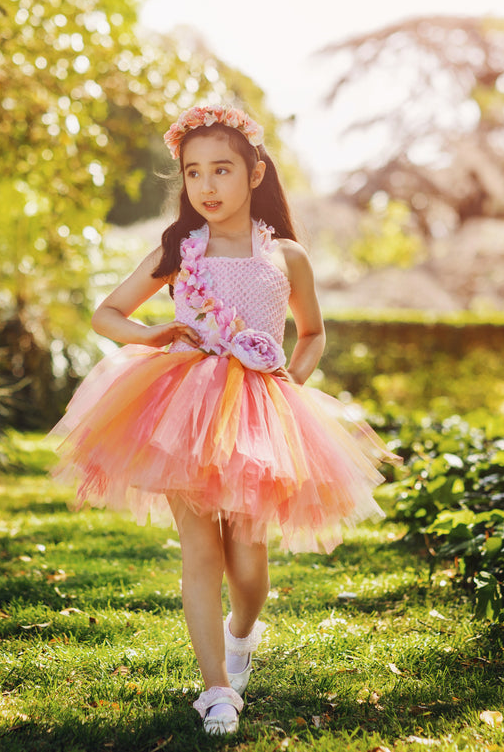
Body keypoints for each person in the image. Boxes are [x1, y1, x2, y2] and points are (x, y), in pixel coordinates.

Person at [48, 105, 401, 735]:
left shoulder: (286, 256)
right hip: (181, 404)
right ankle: (215, 690)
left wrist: (292, 380)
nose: (206, 187)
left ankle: (241, 633)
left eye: (222, 170)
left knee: (248, 558)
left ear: (255, 173)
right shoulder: (179, 252)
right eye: (193, 173)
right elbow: (108, 315)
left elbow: (314, 332)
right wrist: (154, 334)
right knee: (200, 547)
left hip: (259, 409)